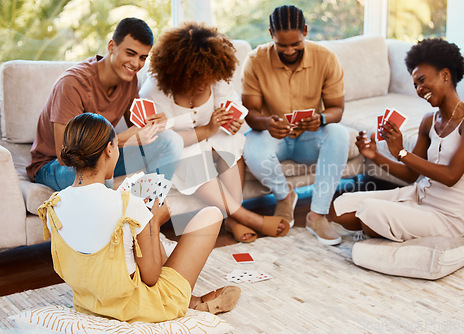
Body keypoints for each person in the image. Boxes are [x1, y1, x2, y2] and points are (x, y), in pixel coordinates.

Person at [38, 113, 241, 323]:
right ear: (109, 149)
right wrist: (153, 221)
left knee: (134, 245)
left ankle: (193, 301)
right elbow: (152, 278)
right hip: (137, 307)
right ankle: (189, 302)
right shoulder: (126, 204)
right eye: (117, 146)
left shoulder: (53, 205)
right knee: (212, 214)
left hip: (89, 302)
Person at [140, 22, 290, 243]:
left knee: (230, 141)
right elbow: (165, 141)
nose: (204, 85)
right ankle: (247, 217)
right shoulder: (155, 90)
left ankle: (231, 219)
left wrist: (233, 122)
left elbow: (231, 107)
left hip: (209, 136)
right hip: (173, 147)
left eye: (208, 78)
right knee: (188, 157)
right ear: (178, 73)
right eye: (196, 79)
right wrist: (207, 129)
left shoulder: (215, 77)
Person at [328, 38, 464, 242]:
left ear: (445, 74)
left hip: (446, 216)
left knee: (369, 211)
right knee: (339, 208)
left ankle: (384, 227)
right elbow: (411, 175)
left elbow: (451, 176)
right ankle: (388, 226)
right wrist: (375, 155)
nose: (419, 89)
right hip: (417, 195)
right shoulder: (429, 121)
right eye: (415, 84)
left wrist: (401, 153)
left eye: (422, 80)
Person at [27, 17, 183, 191]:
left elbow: (137, 129)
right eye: (130, 54)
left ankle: (149, 209)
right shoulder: (72, 84)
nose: (136, 63)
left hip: (103, 154)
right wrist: (118, 140)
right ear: (111, 47)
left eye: (142, 57)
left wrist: (152, 125)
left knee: (171, 140)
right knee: (99, 171)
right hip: (55, 165)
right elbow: (66, 156)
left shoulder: (129, 80)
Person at [241, 5, 350, 245]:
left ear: (306, 31)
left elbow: (337, 109)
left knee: (339, 134)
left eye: (295, 43)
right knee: (250, 146)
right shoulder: (255, 60)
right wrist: (267, 122)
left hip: (309, 138)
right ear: (271, 34)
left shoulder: (326, 58)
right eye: (282, 45)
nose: (289, 50)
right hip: (273, 136)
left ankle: (317, 215)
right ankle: (284, 196)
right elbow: (250, 114)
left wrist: (321, 119)